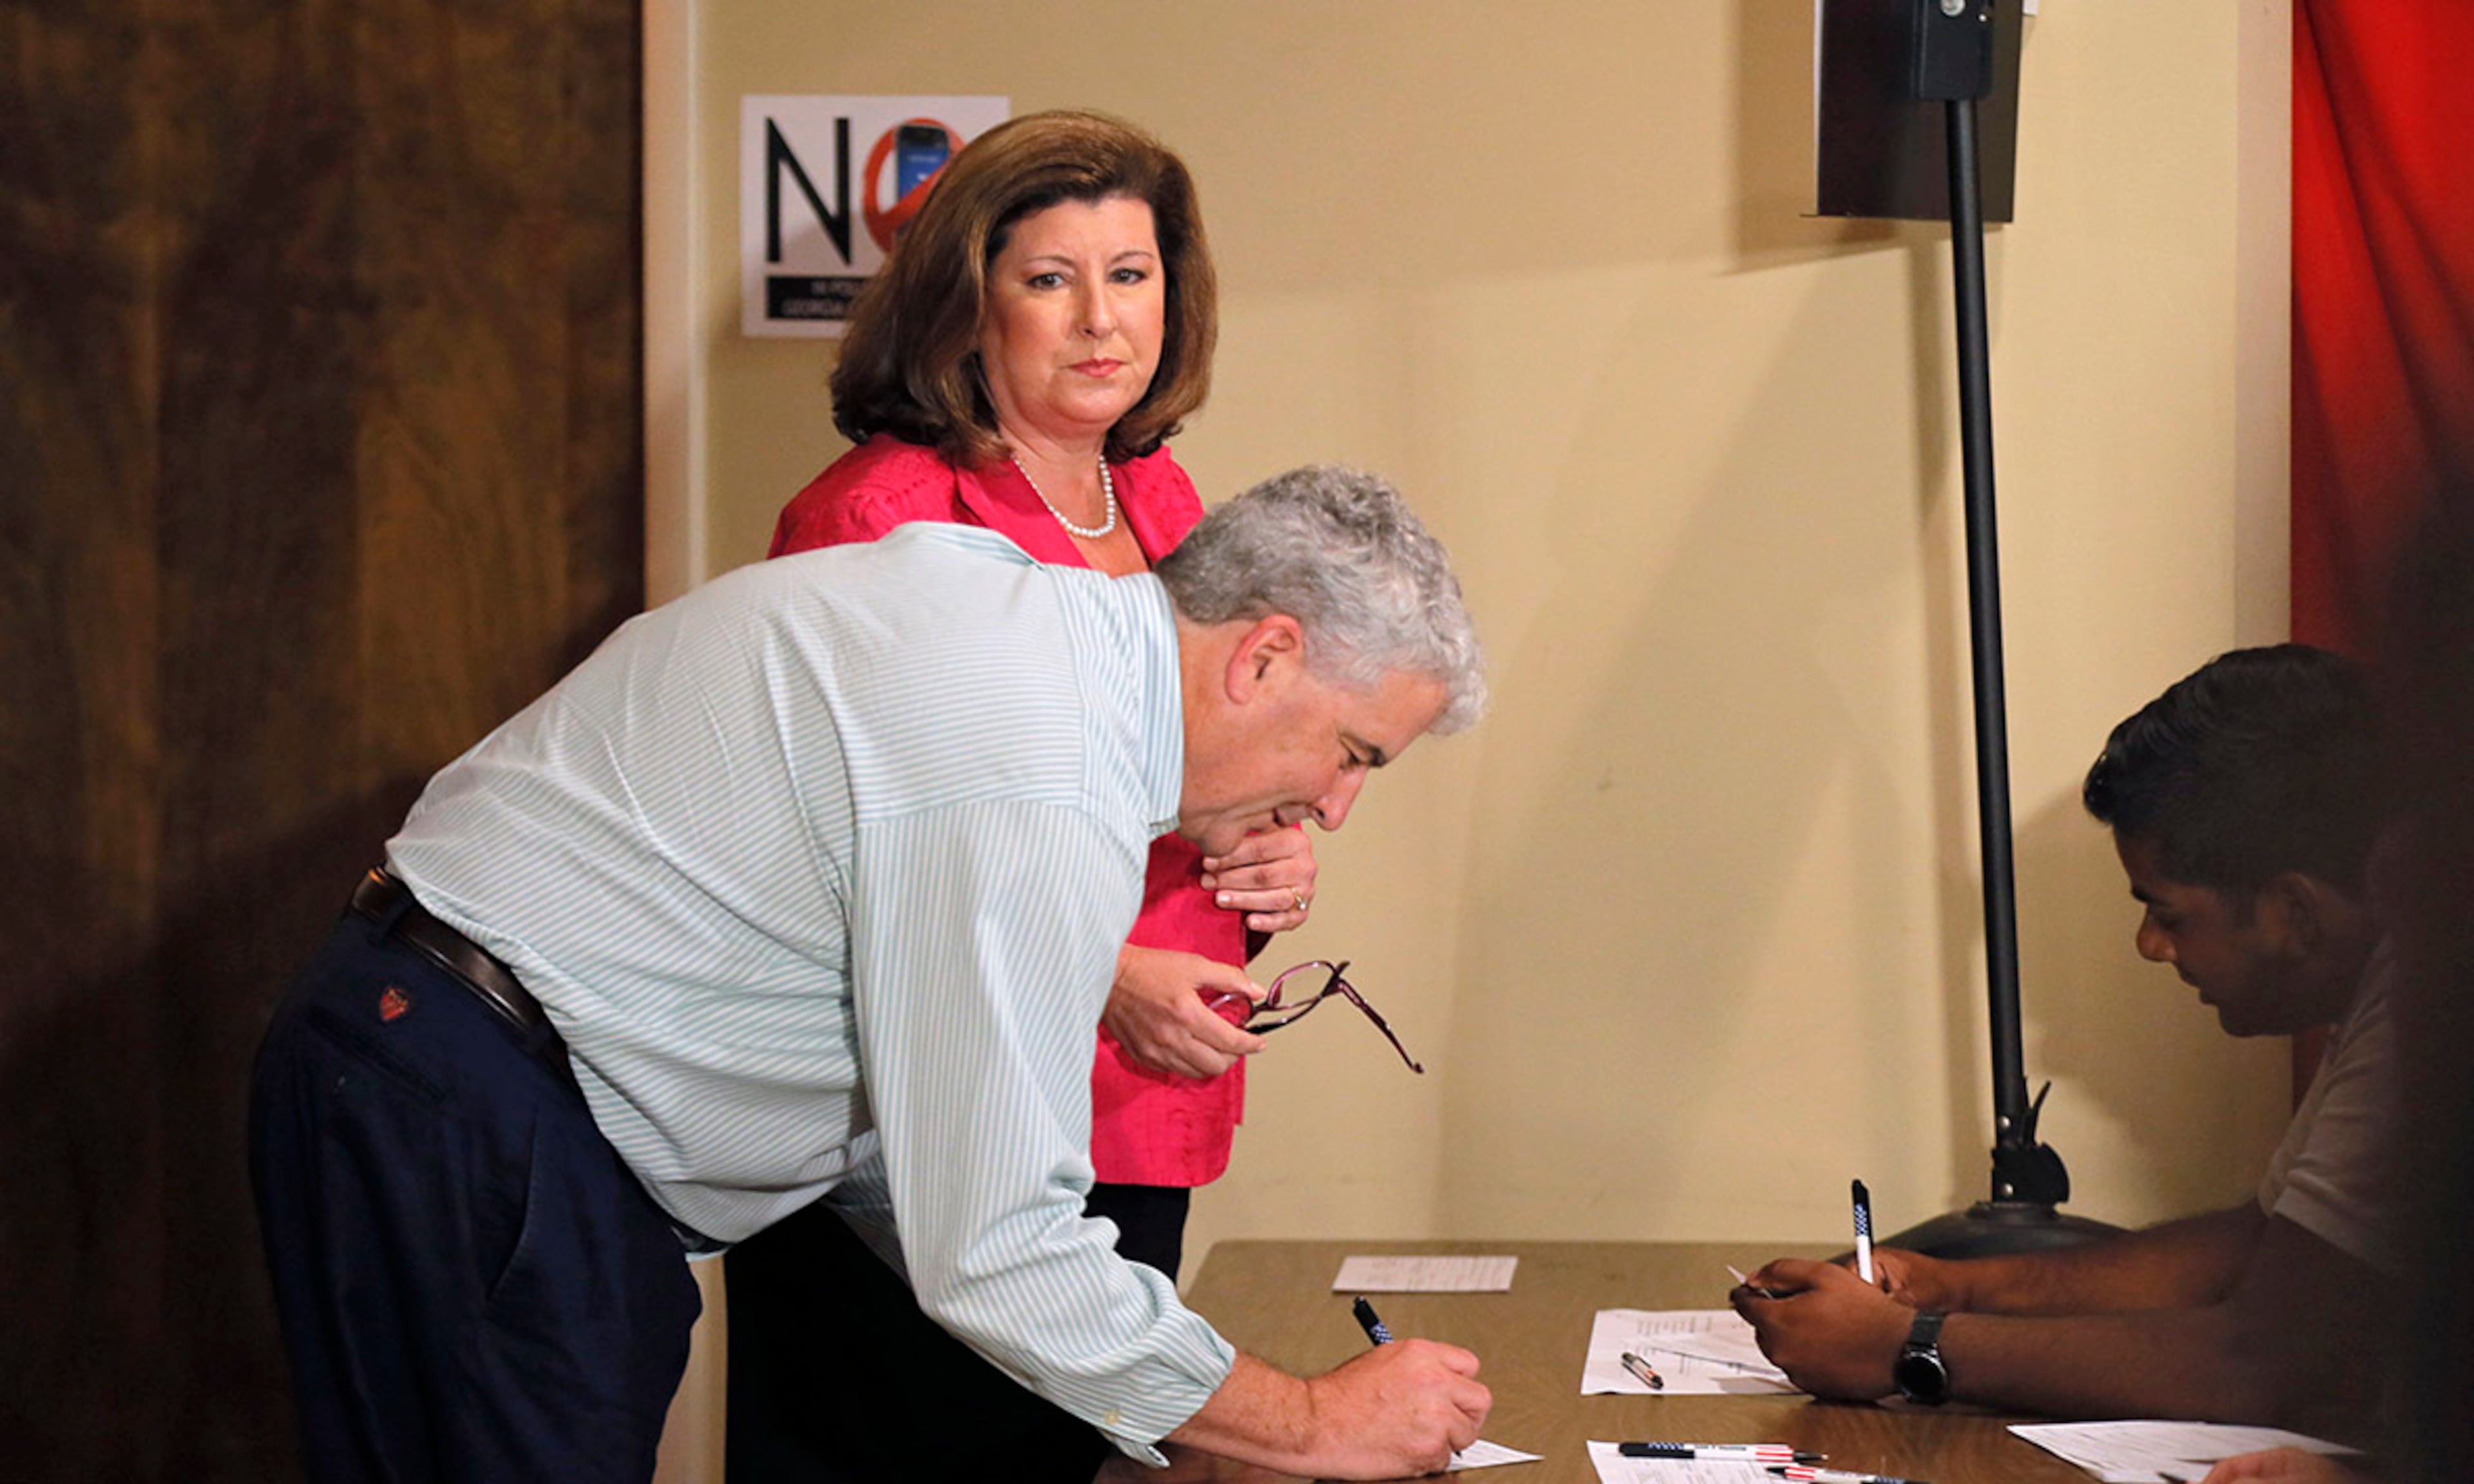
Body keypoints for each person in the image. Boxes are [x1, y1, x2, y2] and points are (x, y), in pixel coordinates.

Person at [246, 466, 1493, 1483]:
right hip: (484, 1096)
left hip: (446, 1062)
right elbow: (995, 1244)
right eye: (1352, 751)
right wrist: (1313, 1422)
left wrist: (1199, 1405)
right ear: (1264, 654)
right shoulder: (1044, 772)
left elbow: (913, 1155)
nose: (1334, 804)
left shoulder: (1026, 626)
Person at [727, 108, 1325, 1481]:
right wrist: (1107, 970)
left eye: (1132, 275)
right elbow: (850, 860)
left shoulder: (1163, 499)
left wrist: (1271, 850)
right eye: (1050, 279)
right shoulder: (882, 517)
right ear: (966, 306)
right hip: (932, 1134)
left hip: (1132, 1115)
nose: (1101, 321)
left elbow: (1200, 760)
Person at [1734, 645, 2398, 1441]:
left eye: (2171, 913)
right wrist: (1954, 1290)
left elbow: (2260, 1361)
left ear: (2294, 912)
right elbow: (2257, 1247)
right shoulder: (2389, 978)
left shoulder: (2421, 1015)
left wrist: (1905, 1348)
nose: (2150, 946)